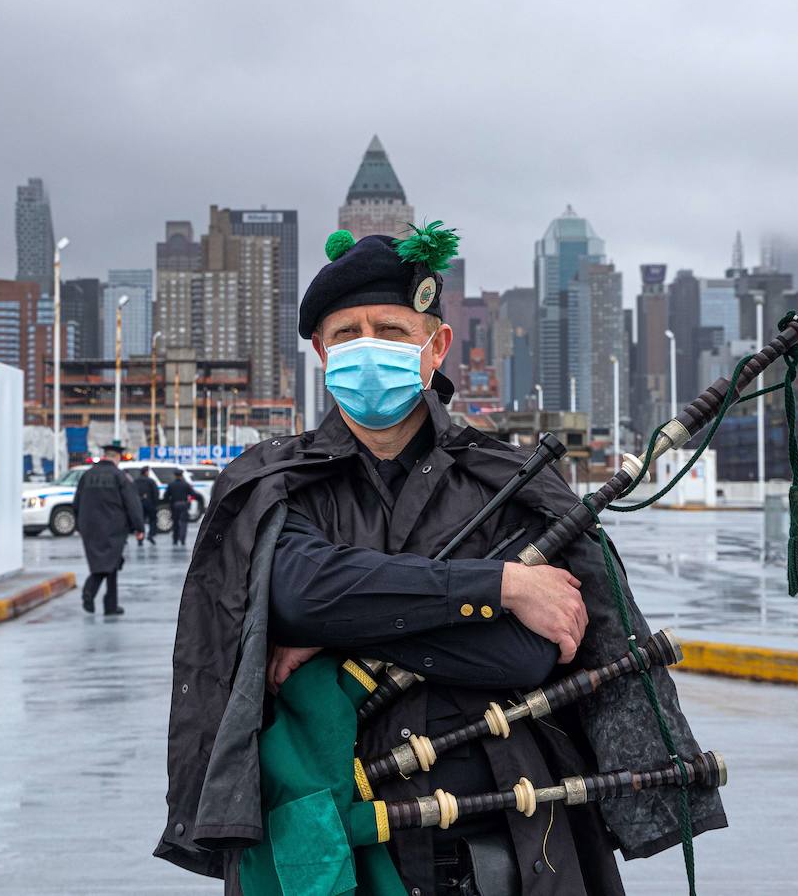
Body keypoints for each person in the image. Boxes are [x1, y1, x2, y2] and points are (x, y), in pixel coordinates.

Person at [157, 223, 725, 895]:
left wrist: (337, 632)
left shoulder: (507, 481)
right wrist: (501, 585)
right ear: (319, 351)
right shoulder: (275, 482)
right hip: (327, 831)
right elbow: (303, 592)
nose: (369, 348)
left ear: (435, 347)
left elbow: (527, 655)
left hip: (514, 840)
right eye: (347, 335)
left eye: (392, 332)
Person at [72, 444, 143, 616]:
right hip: (114, 526)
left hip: (89, 526)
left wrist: (79, 524)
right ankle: (90, 590)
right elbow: (132, 503)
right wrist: (138, 527)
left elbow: (76, 502)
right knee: (109, 563)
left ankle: (111, 605)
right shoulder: (119, 476)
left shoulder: (87, 475)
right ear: (117, 458)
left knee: (109, 562)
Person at [163, 469, 195, 546]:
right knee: (184, 522)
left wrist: (169, 503)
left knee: (175, 523)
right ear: (181, 475)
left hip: (175, 505)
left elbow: (166, 496)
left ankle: (175, 539)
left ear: (175, 476)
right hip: (184, 505)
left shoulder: (171, 485)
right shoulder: (186, 484)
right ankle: (182, 539)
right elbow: (193, 494)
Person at [133, 465, 160, 546]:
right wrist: (155, 504)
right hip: (150, 504)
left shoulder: (135, 481)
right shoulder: (151, 481)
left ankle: (140, 539)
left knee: (140, 521)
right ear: (146, 472)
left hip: (139, 504)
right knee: (152, 520)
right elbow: (156, 493)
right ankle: (151, 535)